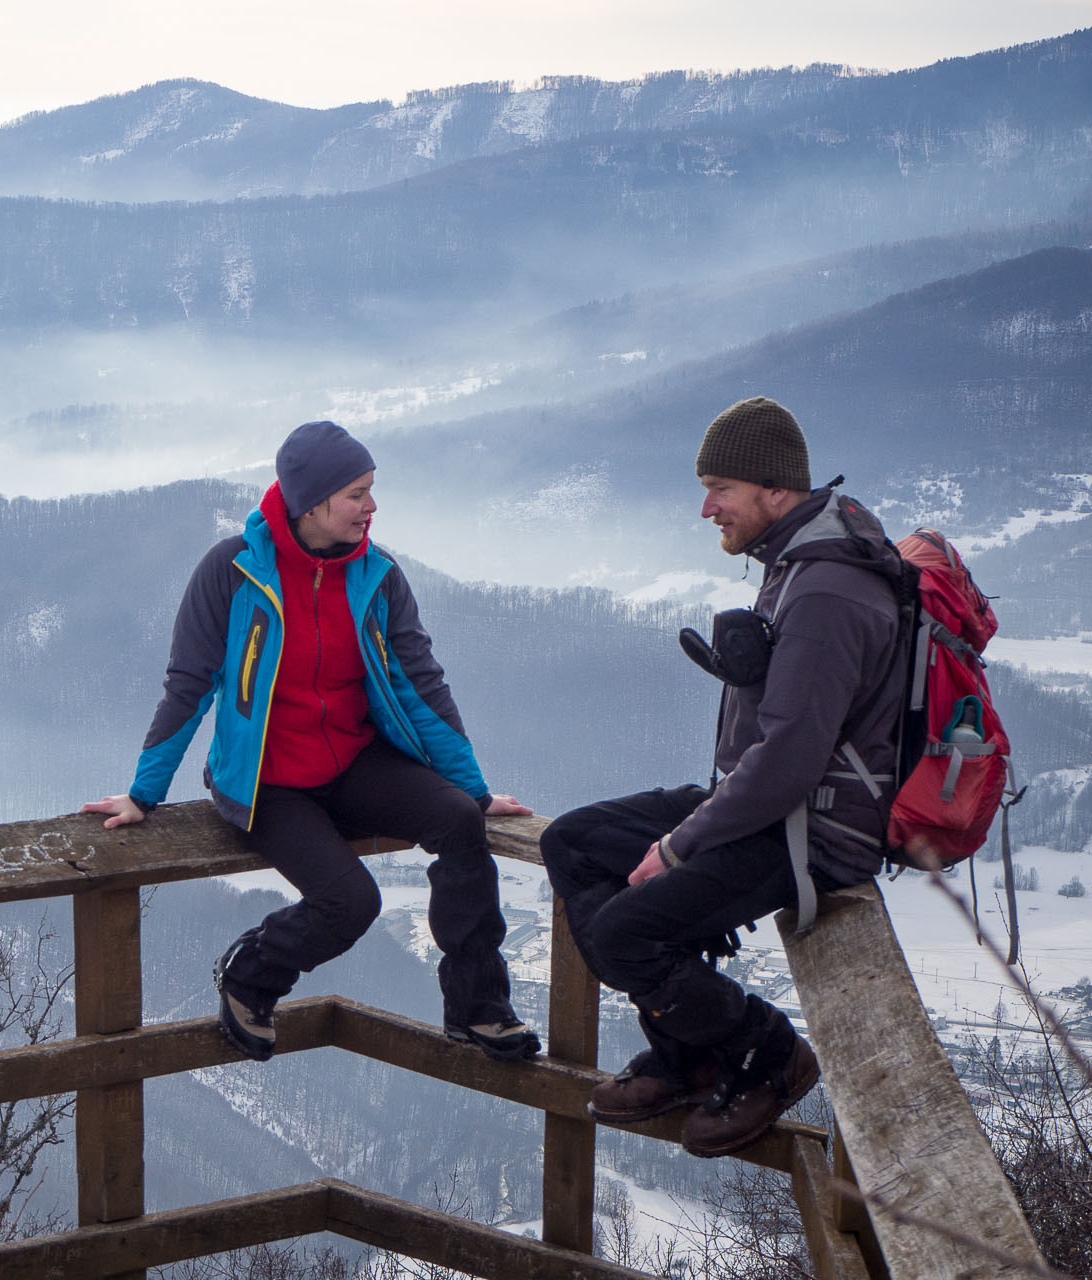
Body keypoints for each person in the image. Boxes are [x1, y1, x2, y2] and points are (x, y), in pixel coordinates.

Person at [82, 419, 539, 1064]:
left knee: (460, 822)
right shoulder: (233, 571)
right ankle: (250, 973)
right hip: (269, 781)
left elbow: (420, 685)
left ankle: (479, 1010)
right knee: (350, 901)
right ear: (311, 502)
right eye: (357, 493)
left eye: (371, 490)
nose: (372, 507)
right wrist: (142, 793)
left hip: (352, 762)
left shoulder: (376, 577)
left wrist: (472, 788)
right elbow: (190, 684)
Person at [540, 397, 909, 1158]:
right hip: (769, 805)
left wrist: (680, 847)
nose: (706, 507)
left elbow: (788, 761)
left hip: (810, 829)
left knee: (623, 936)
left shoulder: (827, 590)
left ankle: (767, 1053)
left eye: (721, 488)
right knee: (574, 842)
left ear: (775, 490)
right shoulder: (801, 558)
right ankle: (690, 1055)